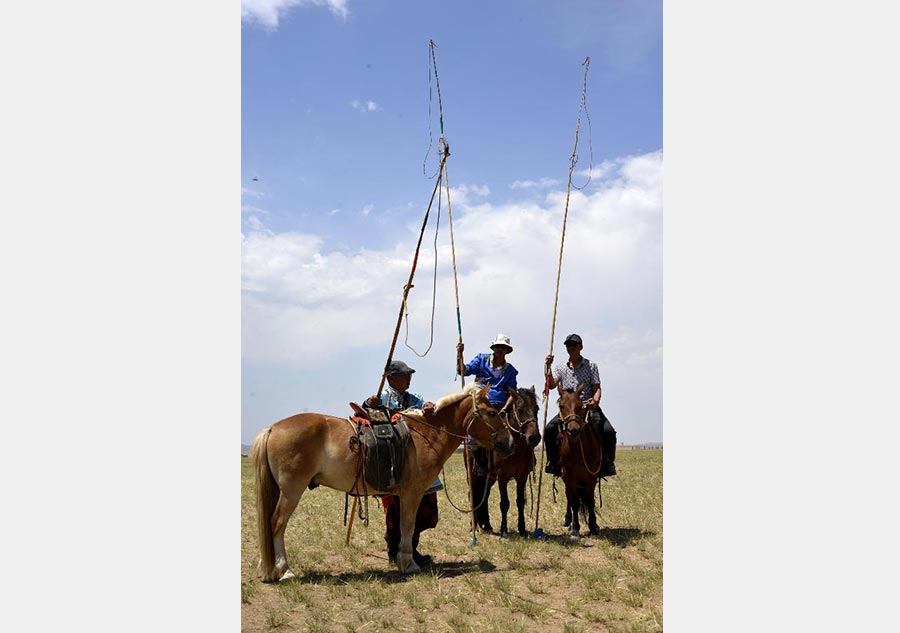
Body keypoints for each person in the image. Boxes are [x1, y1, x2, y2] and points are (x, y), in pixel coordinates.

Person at [365, 359, 441, 566]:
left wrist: (428, 407)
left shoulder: (415, 398)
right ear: (391, 378)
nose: (408, 379)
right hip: (393, 463)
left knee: (422, 509)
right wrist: (369, 406)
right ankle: (394, 550)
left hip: (416, 462)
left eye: (409, 375)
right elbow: (366, 418)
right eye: (404, 375)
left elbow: (426, 410)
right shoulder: (381, 398)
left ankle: (411, 549)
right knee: (396, 510)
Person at [543, 333, 617, 477]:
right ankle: (553, 462)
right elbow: (551, 385)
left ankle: (608, 463)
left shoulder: (591, 366)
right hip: (567, 410)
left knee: (608, 431)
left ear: (580, 347)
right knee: (549, 430)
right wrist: (547, 366)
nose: (570, 348)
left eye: (574, 345)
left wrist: (595, 400)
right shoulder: (560, 368)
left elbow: (597, 388)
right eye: (568, 345)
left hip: (587, 407)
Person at [456, 334, 518, 489]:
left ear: (507, 351)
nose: (500, 350)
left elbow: (512, 393)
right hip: (481, 405)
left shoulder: (510, 371)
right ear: (493, 348)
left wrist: (505, 408)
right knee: (474, 435)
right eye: (498, 347)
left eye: (503, 348)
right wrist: (459, 355)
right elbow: (463, 370)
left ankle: (523, 462)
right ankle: (480, 464)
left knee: (521, 426)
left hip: (500, 407)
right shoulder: (481, 359)